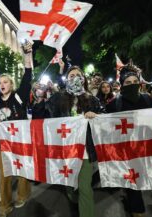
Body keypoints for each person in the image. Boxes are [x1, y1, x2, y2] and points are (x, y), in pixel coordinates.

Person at [46, 64, 105, 217]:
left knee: (85, 188)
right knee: (70, 184)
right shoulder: (58, 99)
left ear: (83, 79)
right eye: (71, 76)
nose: (74, 78)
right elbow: (46, 115)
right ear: (67, 80)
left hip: (84, 150)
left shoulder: (92, 99)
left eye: (78, 75)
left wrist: (95, 115)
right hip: (65, 149)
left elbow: (104, 118)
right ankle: (72, 194)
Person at [106, 64, 152, 217]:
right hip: (125, 148)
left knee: (142, 176)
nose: (133, 85)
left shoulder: (147, 99)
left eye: (135, 82)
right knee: (133, 176)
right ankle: (137, 209)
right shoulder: (114, 103)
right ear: (122, 85)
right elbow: (106, 125)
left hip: (145, 145)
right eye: (128, 83)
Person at [0, 41, 33, 217]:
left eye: (5, 82)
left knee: (22, 170)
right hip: (4, 144)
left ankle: (23, 194)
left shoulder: (19, 96)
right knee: (5, 174)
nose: (2, 84)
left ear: (11, 83)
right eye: (0, 82)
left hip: (20, 140)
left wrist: (27, 54)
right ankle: (5, 203)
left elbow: (28, 74)